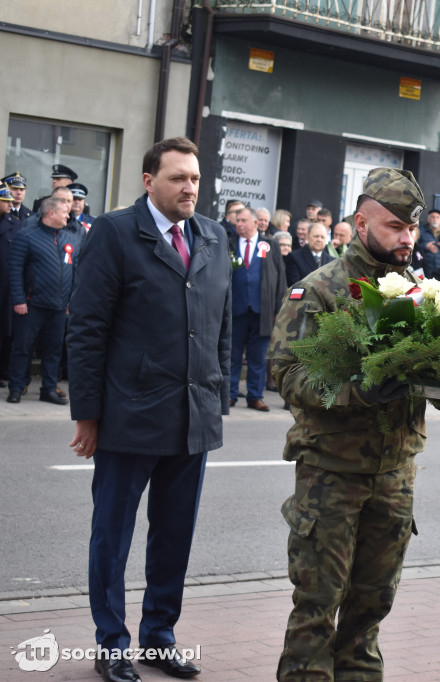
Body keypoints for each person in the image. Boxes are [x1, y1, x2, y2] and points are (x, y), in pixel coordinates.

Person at [268, 169, 440, 681]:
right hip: (331, 476)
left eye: (411, 228)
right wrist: (356, 390)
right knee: (316, 614)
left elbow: (438, 382)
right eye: (393, 227)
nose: (407, 238)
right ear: (361, 223)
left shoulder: (422, 293)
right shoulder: (319, 290)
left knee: (368, 617)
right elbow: (287, 372)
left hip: (395, 478)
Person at [66, 137, 231, 682]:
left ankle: (159, 637)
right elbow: (86, 330)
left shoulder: (212, 235)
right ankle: (111, 644)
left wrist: (217, 392)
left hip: (192, 414)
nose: (190, 188)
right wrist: (87, 415)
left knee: (174, 536)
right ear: (148, 181)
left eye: (195, 178)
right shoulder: (114, 234)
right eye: (178, 177)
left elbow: (220, 325)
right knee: (111, 537)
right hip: (129, 416)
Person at [7, 194, 83, 404]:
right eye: (64, 212)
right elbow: (15, 270)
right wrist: (19, 300)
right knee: (23, 347)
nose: (69, 215)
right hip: (32, 305)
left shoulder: (69, 239)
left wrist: (70, 301)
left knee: (54, 349)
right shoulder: (27, 236)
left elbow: (75, 271)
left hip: (59, 306)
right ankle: (16, 387)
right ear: (51, 213)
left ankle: (48, 389)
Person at [228, 206, 287, 412]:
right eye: (237, 221)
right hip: (236, 310)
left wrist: (279, 308)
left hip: (262, 311)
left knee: (258, 357)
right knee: (232, 355)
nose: (239, 225)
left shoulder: (270, 245)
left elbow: (280, 278)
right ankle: (230, 394)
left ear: (255, 223)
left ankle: (255, 395)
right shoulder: (230, 244)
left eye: (243, 220)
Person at [0, 184, 21, 388]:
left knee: (5, 330)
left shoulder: (15, 224)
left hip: (5, 287)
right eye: (4, 200)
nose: (10, 203)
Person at [285, 222, 334, 286]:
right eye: (316, 236)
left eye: (322, 237)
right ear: (307, 237)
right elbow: (294, 284)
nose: (319, 239)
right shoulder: (294, 257)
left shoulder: (332, 261)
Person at [418, 209, 440, 279]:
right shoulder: (420, 231)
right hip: (424, 266)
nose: (435, 219)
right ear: (428, 220)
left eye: (438, 217)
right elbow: (414, 246)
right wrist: (426, 246)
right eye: (432, 217)